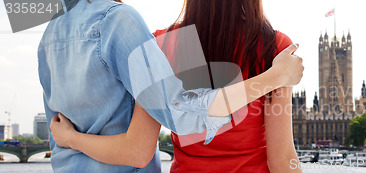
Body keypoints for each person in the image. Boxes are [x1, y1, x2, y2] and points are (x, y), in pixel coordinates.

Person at [40, 0, 303, 172]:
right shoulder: (273, 49)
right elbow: (282, 160)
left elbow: (137, 148)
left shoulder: (163, 44)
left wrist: (71, 139)